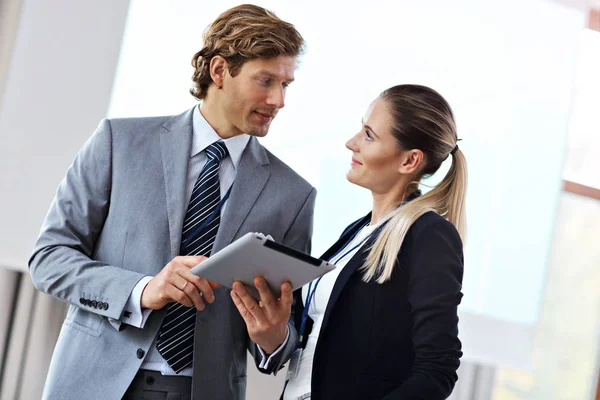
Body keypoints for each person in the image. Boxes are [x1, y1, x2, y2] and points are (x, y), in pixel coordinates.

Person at [28, 5, 314, 400]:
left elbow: (285, 331)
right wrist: (142, 290)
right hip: (90, 383)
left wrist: (273, 339)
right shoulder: (119, 143)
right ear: (219, 71)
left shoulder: (294, 195)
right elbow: (49, 259)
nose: (278, 100)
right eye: (265, 80)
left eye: (286, 84)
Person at [282, 84, 466, 400]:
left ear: (409, 161)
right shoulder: (356, 232)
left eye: (369, 135)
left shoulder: (428, 236)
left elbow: (437, 371)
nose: (351, 143)